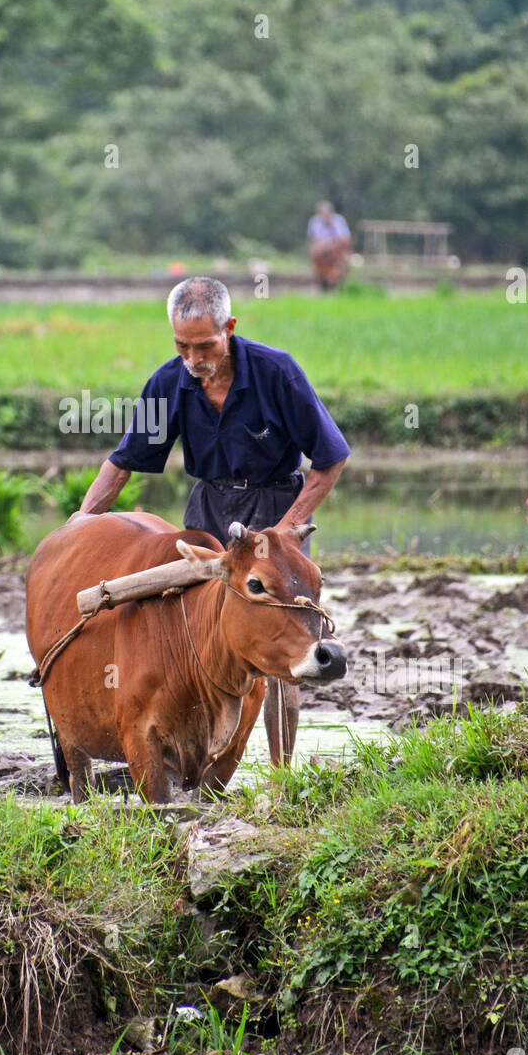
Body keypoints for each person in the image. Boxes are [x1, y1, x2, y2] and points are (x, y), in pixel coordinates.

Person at [79, 276, 351, 762]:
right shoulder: (170, 382)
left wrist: (288, 530)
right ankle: (191, 754)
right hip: (209, 511)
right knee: (193, 633)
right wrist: (79, 523)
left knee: (283, 645)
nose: (193, 358)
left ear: (229, 328)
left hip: (274, 510)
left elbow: (330, 458)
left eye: (204, 345)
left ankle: (279, 773)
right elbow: (124, 461)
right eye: (182, 346)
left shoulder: (276, 373)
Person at [307, 200, 352, 291]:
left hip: (336, 245)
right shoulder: (315, 221)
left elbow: (344, 237)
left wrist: (332, 244)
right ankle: (319, 273)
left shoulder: (339, 220)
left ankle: (341, 271)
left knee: (344, 255)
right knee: (315, 253)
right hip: (321, 246)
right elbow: (313, 238)